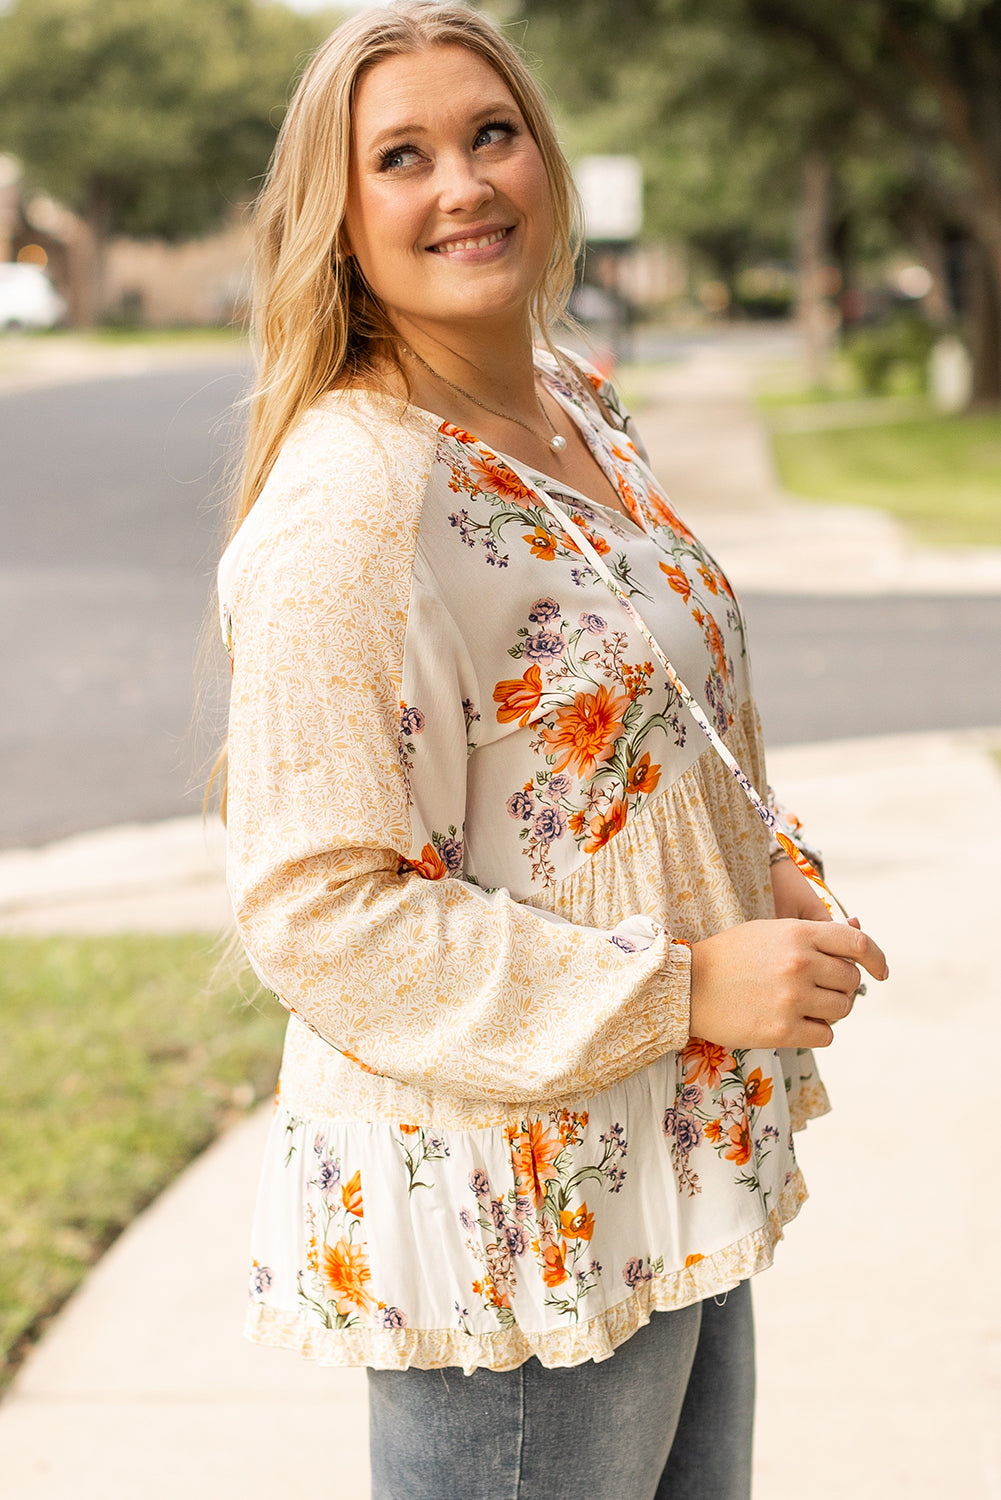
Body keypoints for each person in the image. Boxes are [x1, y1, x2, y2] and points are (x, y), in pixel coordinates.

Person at [215, 5, 888, 1496]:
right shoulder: (353, 505)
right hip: (508, 1221)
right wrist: (693, 980)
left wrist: (762, 873)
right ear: (338, 221)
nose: (461, 183)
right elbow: (317, 913)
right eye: (401, 157)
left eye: (489, 133)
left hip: (662, 1147)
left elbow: (644, 711)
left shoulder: (567, 401)